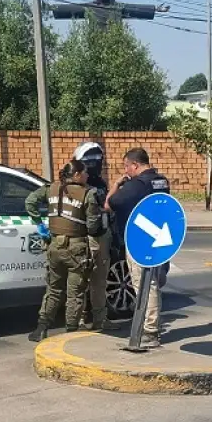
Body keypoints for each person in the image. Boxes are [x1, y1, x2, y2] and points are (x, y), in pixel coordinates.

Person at [24, 160, 106, 341]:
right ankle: (70, 332)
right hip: (77, 248)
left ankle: (41, 328)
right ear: (76, 174)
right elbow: (93, 227)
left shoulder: (50, 188)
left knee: (53, 289)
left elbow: (30, 202)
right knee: (74, 293)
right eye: (84, 173)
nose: (87, 176)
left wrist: (40, 225)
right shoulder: (88, 194)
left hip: (54, 246)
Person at [106, 147, 170, 348]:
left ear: (135, 165)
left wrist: (118, 184)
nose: (126, 171)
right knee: (152, 283)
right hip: (159, 238)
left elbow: (110, 203)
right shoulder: (161, 181)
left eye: (126, 166)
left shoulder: (136, 185)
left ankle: (150, 331)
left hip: (139, 240)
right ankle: (151, 326)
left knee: (143, 284)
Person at [72, 142, 121, 332]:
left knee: (98, 281)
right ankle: (82, 320)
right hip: (84, 237)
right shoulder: (76, 185)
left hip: (100, 235)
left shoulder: (99, 183)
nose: (96, 164)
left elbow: (107, 210)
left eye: (98, 160)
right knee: (83, 281)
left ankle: (99, 319)